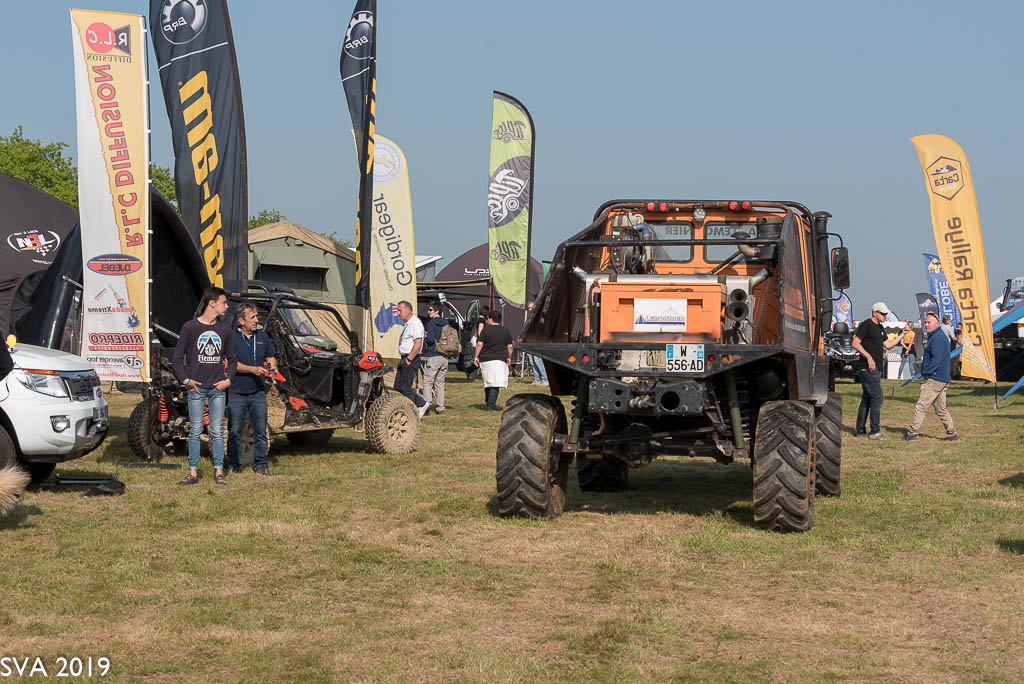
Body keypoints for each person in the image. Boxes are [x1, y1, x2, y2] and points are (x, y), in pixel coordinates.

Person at [172, 287, 237, 486]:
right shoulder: (190, 328)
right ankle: (192, 472)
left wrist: (228, 380)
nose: (227, 306)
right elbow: (177, 359)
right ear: (212, 303)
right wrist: (186, 380)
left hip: (217, 388)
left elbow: (232, 359)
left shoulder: (224, 329)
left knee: (216, 430)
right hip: (196, 388)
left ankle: (219, 472)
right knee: (195, 430)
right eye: (223, 302)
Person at [226, 302, 278, 476]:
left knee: (260, 430)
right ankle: (234, 465)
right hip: (237, 391)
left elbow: (271, 357)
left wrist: (272, 366)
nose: (256, 320)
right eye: (253, 317)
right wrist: (252, 370)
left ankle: (261, 464)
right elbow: (230, 364)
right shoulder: (231, 337)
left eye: (257, 316)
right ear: (241, 321)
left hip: (258, 392)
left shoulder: (262, 336)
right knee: (234, 430)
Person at [851, 301, 902, 439]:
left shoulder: (880, 327)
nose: (885, 316)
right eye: (883, 313)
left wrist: (901, 335)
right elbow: (855, 343)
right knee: (877, 398)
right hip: (868, 368)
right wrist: (869, 357)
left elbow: (888, 345)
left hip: (876, 368)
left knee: (867, 399)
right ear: (875, 313)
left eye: (886, 313)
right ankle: (875, 432)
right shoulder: (866, 325)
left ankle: (860, 430)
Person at [904, 312, 958, 441]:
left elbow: (936, 360)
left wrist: (926, 373)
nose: (926, 325)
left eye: (929, 322)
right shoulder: (936, 336)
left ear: (937, 324)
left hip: (935, 378)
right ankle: (952, 434)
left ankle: (911, 434)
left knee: (921, 406)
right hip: (941, 378)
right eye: (925, 322)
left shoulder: (938, 338)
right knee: (941, 409)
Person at [474, 310, 514, 411]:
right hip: (500, 359)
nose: (487, 320)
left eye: (487, 318)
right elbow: (510, 346)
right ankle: (490, 405)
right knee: (495, 383)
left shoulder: (486, 330)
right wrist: (509, 357)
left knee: (488, 380)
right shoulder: (505, 330)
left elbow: (479, 344)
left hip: (486, 359)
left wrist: (476, 357)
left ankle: (488, 401)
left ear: (491, 319)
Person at [395, 300, 428, 417]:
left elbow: (418, 343)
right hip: (405, 357)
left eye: (400, 310)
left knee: (405, 387)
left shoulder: (415, 323)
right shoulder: (408, 323)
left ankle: (421, 404)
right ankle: (416, 404)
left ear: (408, 311)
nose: (398, 313)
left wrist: (409, 359)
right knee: (398, 385)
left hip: (411, 358)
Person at [420, 301, 450, 415]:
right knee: (440, 382)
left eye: (430, 310)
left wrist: (426, 336)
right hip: (445, 356)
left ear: (437, 311)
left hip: (434, 355)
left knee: (428, 381)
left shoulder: (431, 323)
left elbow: (431, 340)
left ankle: (426, 404)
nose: (428, 312)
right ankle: (440, 406)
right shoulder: (446, 322)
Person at [525, 301, 548, 386]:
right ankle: (537, 379)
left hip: (537, 341)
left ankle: (545, 379)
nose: (530, 309)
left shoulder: (540, 316)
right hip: (530, 341)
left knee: (537, 360)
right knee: (532, 361)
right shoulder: (529, 317)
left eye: (532, 307)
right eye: (529, 308)